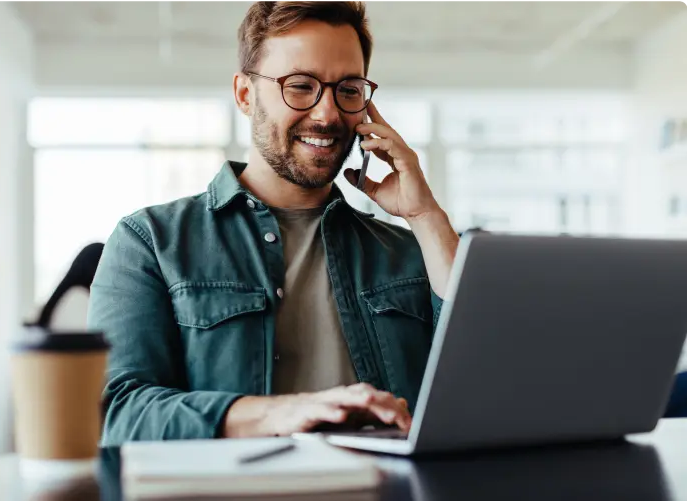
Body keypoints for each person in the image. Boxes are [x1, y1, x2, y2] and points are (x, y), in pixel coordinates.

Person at [88, 0, 460, 445]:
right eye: (300, 86)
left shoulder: (409, 251)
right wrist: (285, 412)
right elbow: (116, 413)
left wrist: (425, 216)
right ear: (246, 95)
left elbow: (487, 383)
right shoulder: (150, 242)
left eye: (348, 89)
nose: (327, 114)